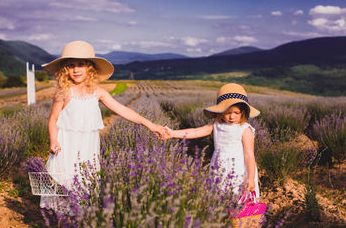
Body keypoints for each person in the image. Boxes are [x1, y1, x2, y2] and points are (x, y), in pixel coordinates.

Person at [40, 41, 165, 211]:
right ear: (65, 69)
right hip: (66, 149)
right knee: (63, 191)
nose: (76, 69)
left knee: (83, 191)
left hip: (87, 151)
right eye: (71, 65)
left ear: (90, 68)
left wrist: (149, 124)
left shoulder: (98, 93)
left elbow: (123, 110)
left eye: (81, 64)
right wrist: (53, 140)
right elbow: (53, 119)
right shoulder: (63, 92)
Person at [163, 83, 260, 197]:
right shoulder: (216, 124)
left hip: (238, 169)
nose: (232, 117)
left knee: (240, 198)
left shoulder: (245, 129)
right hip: (219, 166)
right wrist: (173, 133)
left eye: (236, 113)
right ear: (221, 112)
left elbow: (249, 155)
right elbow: (195, 131)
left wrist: (250, 177)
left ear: (243, 112)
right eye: (228, 112)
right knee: (221, 196)